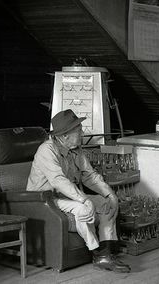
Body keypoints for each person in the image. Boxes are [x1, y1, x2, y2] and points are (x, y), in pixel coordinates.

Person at [27, 109, 131, 273]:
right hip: (46, 200)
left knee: (106, 204)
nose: (82, 132)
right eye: (79, 130)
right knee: (84, 208)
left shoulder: (76, 149)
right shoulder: (46, 151)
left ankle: (106, 255)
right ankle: (96, 251)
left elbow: (89, 175)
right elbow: (58, 181)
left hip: (68, 196)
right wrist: (84, 199)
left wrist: (109, 194)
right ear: (64, 136)